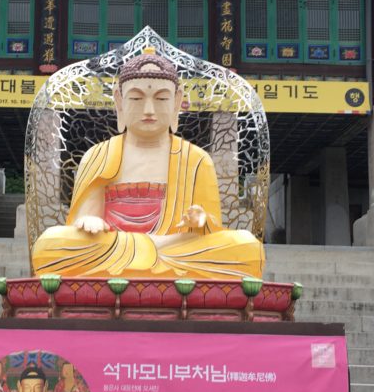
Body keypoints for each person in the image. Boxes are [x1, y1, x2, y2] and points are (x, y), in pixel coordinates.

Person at [31, 48, 264, 280]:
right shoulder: (98, 155)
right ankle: (151, 261)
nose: (149, 110)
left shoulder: (196, 159)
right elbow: (81, 222)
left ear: (177, 101)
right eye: (136, 98)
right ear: (119, 100)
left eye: (161, 99)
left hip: (174, 248)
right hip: (114, 247)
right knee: (48, 244)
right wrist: (89, 220)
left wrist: (201, 221)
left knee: (247, 247)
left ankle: (144, 261)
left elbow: (210, 230)